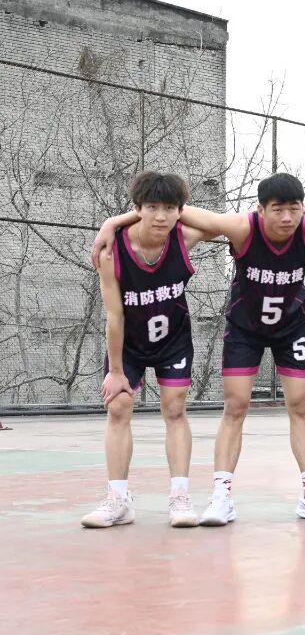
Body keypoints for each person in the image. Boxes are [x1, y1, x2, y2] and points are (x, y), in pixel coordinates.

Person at [92, 172, 305, 525]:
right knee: (234, 406)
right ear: (261, 210)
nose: (286, 217)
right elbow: (180, 212)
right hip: (244, 329)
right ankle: (219, 497)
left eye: (293, 208)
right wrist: (113, 222)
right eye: (278, 209)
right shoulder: (241, 229)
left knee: (300, 404)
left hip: (290, 327)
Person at [82, 171, 216, 528]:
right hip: (129, 344)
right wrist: (115, 371)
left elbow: (219, 223)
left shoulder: (184, 238)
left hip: (173, 341)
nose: (161, 216)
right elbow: (114, 315)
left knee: (175, 409)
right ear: (138, 208)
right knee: (118, 407)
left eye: (169, 208)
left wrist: (114, 219)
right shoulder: (113, 251)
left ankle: (180, 497)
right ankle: (118, 500)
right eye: (152, 207)